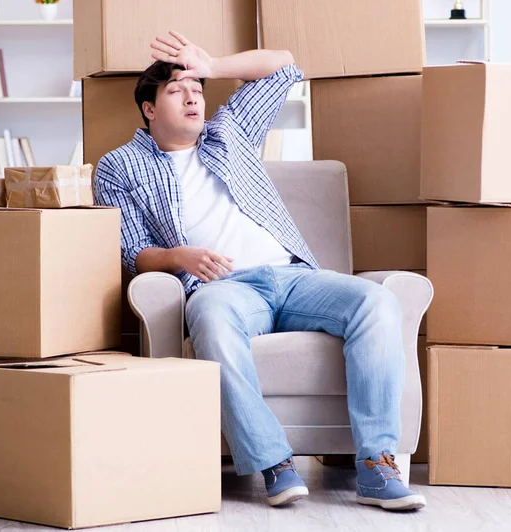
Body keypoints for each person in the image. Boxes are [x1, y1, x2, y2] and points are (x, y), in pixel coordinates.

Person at [94, 30, 426, 511]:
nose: (192, 97)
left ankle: (377, 465)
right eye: (175, 90)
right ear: (148, 108)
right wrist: (177, 256)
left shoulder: (231, 130)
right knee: (209, 321)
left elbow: (286, 65)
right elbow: (131, 252)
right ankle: (274, 462)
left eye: (196, 90)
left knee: (376, 301)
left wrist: (210, 65)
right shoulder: (119, 166)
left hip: (292, 276)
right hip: (221, 288)